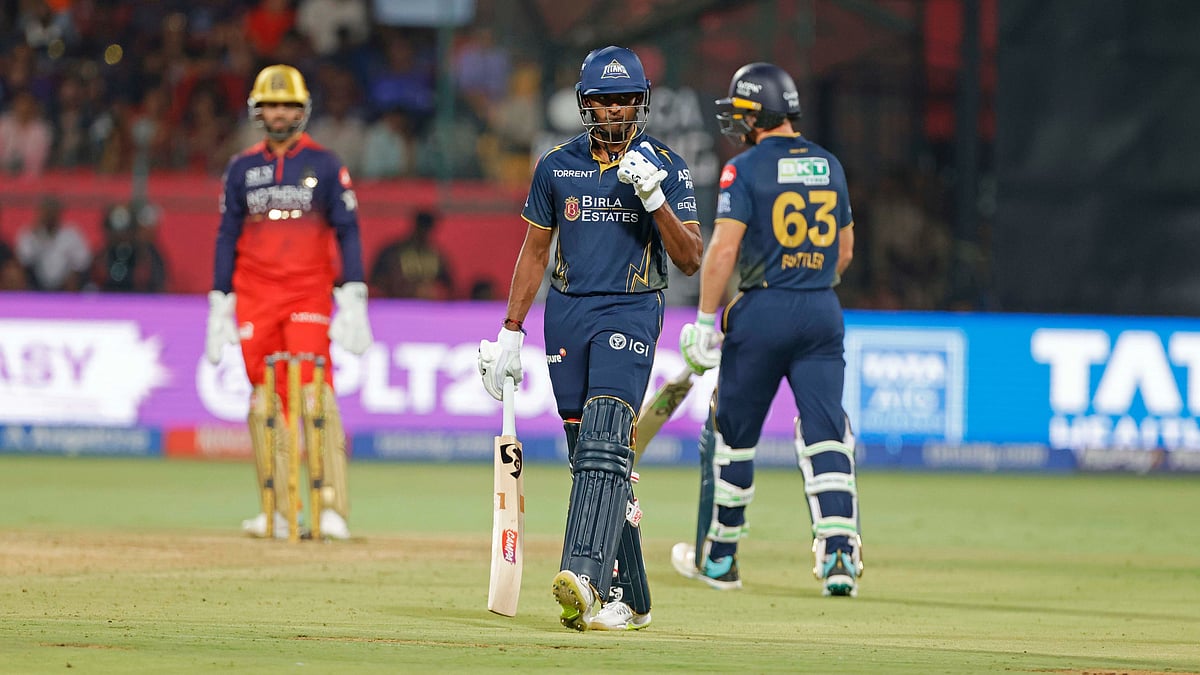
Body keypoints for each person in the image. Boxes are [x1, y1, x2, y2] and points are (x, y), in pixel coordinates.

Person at [477, 45, 703, 631]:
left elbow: (691, 258)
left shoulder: (668, 167)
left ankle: (583, 577)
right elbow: (534, 253)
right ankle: (635, 598)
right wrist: (509, 330)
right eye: (604, 100)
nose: (616, 110)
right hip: (567, 314)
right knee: (593, 457)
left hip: (631, 310)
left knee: (606, 439)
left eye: (626, 98)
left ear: (642, 101)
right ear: (585, 104)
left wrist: (655, 200)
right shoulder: (556, 166)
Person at [670, 62, 863, 597]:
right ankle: (839, 558)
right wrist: (810, 280)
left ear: (756, 114)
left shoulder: (744, 168)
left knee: (734, 437)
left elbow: (723, 250)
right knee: (827, 433)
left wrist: (706, 321)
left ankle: (721, 560)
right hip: (823, 309)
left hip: (763, 311)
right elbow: (844, 251)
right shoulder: (829, 165)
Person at [205, 64, 373, 541]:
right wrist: (220, 298)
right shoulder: (241, 168)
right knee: (264, 401)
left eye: (289, 105)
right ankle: (277, 508)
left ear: (303, 110)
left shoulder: (324, 164)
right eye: (272, 105)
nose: (280, 113)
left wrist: (354, 291)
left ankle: (332, 507)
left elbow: (348, 231)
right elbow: (226, 236)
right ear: (258, 110)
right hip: (255, 298)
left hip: (307, 293)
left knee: (315, 394)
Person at [369, 210, 454, 299]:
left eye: (427, 228)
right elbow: (377, 280)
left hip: (428, 308)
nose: (424, 232)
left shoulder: (437, 255)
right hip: (397, 305)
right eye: (422, 227)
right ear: (416, 226)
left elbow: (448, 286)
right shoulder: (393, 252)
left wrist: (433, 290)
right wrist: (399, 288)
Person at [15, 195, 91, 291]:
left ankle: (70, 303)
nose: (50, 216)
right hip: (35, 281)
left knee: (78, 275)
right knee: (15, 273)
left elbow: (83, 261)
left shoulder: (71, 233)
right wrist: (36, 235)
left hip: (66, 283)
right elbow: (24, 259)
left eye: (53, 212)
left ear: (59, 213)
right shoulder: (29, 233)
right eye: (47, 212)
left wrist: (72, 271)